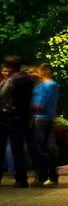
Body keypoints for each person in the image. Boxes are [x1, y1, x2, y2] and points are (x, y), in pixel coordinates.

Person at [0, 56, 35, 187]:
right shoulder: (28, 79)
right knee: (19, 148)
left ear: (10, 67)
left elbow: (1, 94)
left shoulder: (12, 80)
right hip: (24, 115)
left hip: (12, 117)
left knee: (11, 148)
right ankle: (22, 178)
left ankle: (20, 179)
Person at [31, 63, 60, 186]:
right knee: (49, 148)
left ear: (42, 72)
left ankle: (41, 177)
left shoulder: (43, 86)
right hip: (49, 119)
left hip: (40, 119)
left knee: (40, 149)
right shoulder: (54, 85)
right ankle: (53, 176)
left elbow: (39, 105)